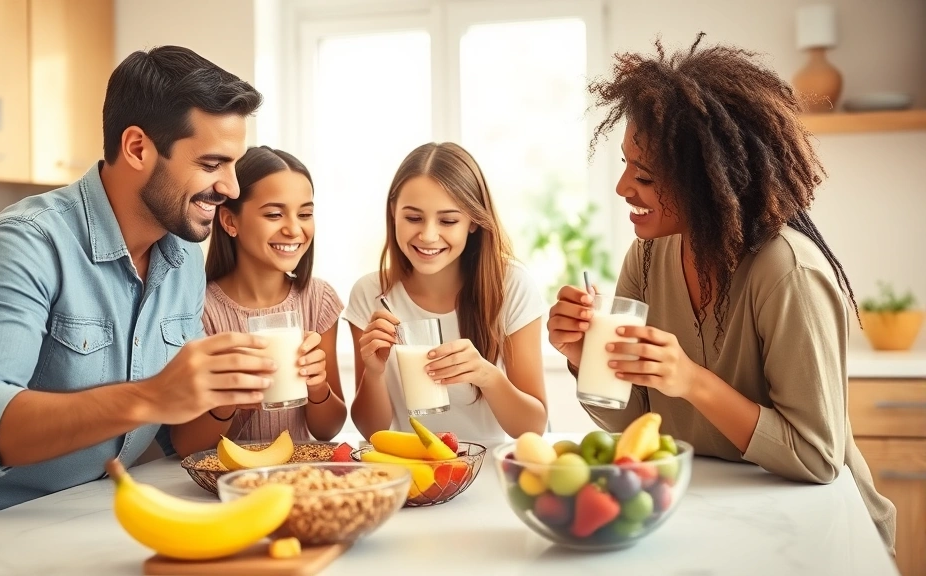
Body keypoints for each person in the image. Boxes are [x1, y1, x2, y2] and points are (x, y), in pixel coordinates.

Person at [545, 35, 897, 554]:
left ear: (706, 181)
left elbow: (819, 458)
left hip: (824, 535)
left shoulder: (786, 271)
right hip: (711, 521)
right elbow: (635, 424)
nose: (622, 187)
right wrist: (584, 359)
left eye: (643, 175)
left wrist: (689, 379)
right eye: (624, 165)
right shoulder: (647, 258)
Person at [0, 46, 272, 540]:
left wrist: (225, 393)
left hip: (86, 524)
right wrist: (149, 396)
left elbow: (177, 437)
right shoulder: (28, 241)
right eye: (211, 164)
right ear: (138, 148)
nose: (230, 186)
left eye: (234, 164)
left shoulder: (182, 257)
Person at [343, 142, 548, 447]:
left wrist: (487, 376)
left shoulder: (511, 286)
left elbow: (531, 428)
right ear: (393, 212)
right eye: (413, 218)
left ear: (474, 222)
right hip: (410, 469)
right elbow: (372, 431)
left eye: (448, 221)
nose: (427, 235)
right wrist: (373, 373)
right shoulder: (371, 294)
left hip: (486, 470)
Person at [169, 146, 346, 457]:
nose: (294, 229)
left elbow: (328, 429)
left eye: (305, 214)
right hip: (228, 480)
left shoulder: (318, 299)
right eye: (274, 214)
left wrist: (317, 388)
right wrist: (232, 400)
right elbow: (187, 445)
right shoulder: (200, 309)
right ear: (229, 222)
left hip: (299, 478)